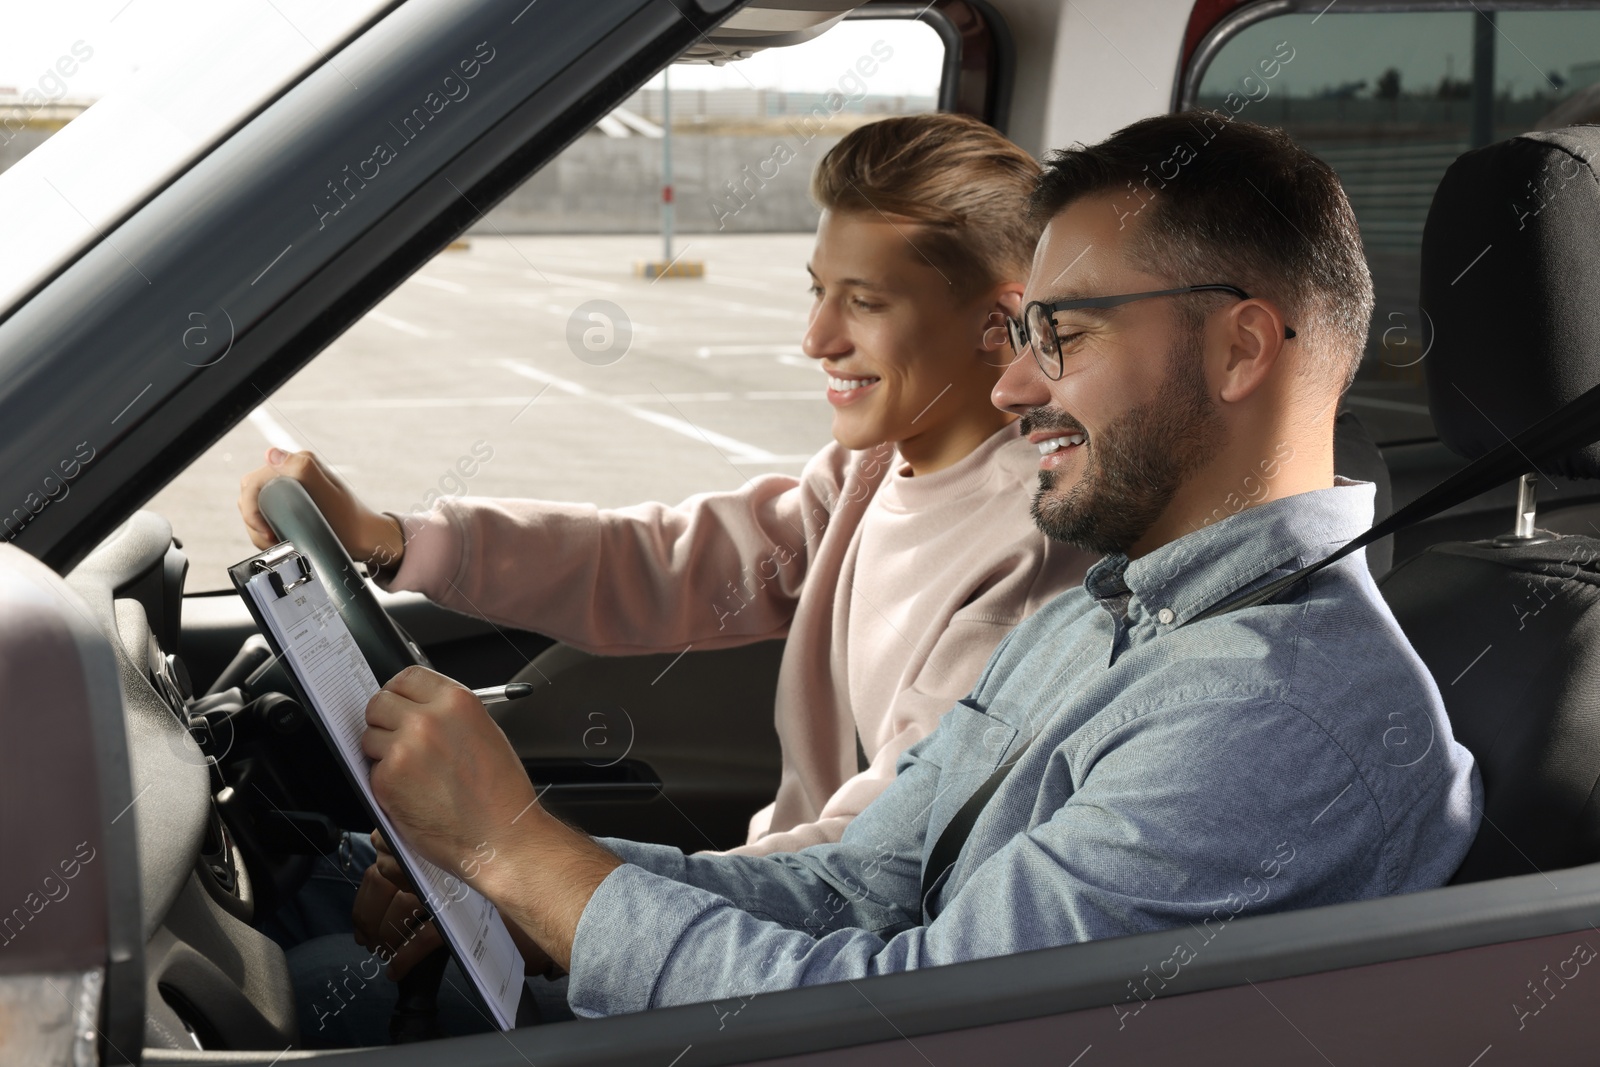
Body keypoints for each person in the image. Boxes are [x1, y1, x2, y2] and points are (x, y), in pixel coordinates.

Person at [339, 112, 1481, 1026]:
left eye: (1062, 338)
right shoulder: (1110, 613)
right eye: (1021, 335)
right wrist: (500, 883)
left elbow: (920, 1018)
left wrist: (516, 852)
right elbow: (854, 889)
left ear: (1238, 347)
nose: (1014, 387)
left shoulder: (1271, 714)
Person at [240, 113, 1092, 861]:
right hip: (774, 897)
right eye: (816, 291)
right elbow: (656, 562)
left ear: (1001, 323)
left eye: (863, 302)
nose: (814, 338)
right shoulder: (863, 475)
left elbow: (882, 855)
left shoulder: (1032, 548)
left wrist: (534, 874)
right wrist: (394, 536)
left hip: (818, 957)